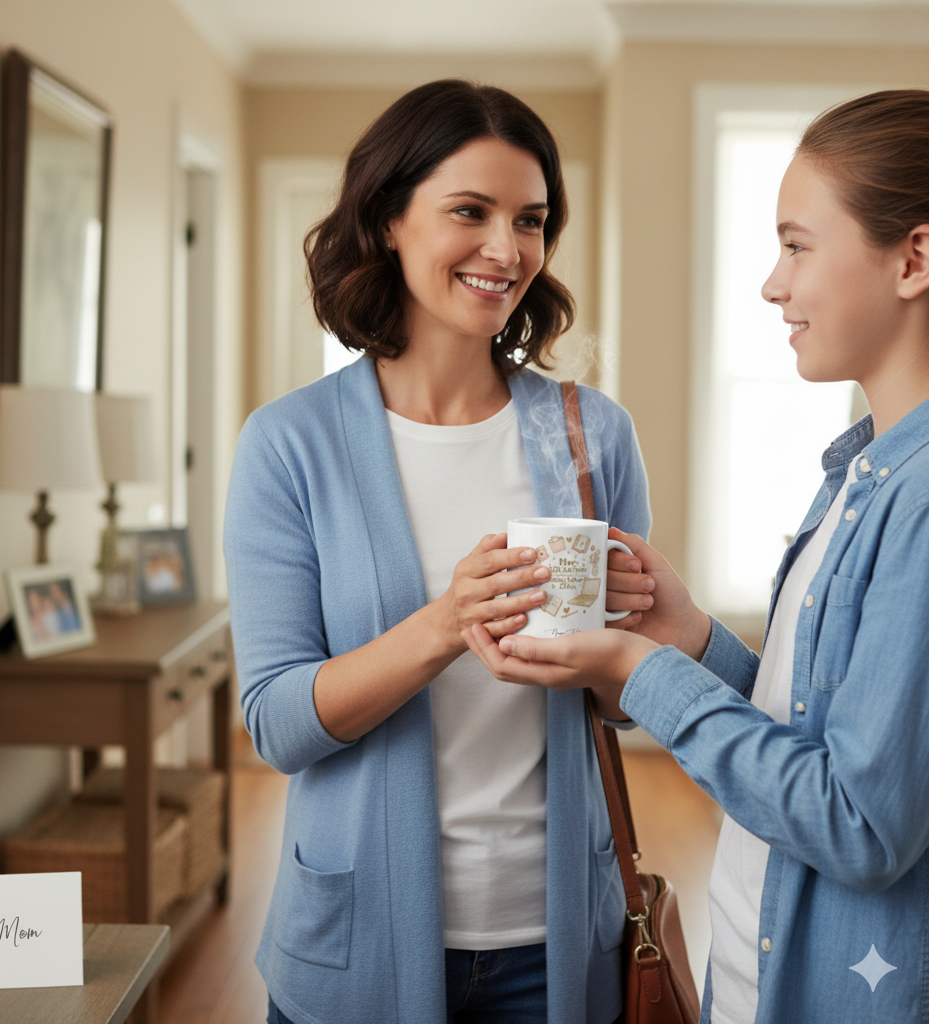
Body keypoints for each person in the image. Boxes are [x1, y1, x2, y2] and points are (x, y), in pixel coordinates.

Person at [464, 89, 929, 1024]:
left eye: (797, 245)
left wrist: (639, 671)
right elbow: (838, 733)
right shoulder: (857, 478)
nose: (772, 283)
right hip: (765, 975)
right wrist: (692, 639)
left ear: (913, 258)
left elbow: (860, 820)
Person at [224, 80, 652, 1024]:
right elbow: (277, 724)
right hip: (355, 943)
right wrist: (446, 624)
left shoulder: (592, 437)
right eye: (471, 211)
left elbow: (623, 707)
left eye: (531, 220)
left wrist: (642, 642)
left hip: (559, 941)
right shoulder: (289, 444)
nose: (508, 250)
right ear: (387, 220)